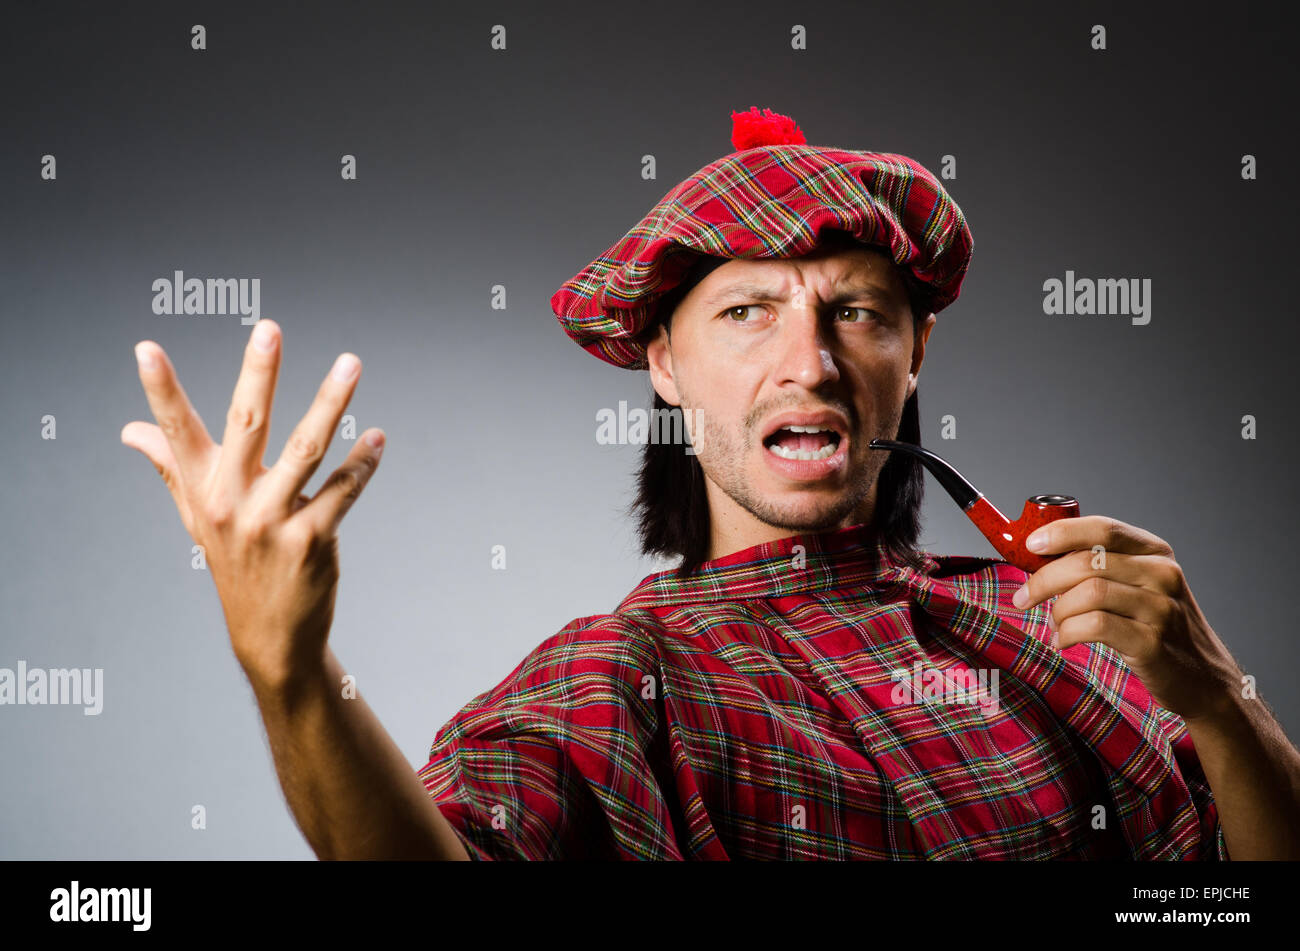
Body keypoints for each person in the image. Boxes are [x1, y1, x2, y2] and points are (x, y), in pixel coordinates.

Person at [122, 106, 1300, 860]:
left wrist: (1220, 701)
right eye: (747, 313)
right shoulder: (612, 683)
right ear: (666, 362)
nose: (811, 360)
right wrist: (292, 677)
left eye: (856, 312)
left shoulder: (1056, 628)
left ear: (913, 353)